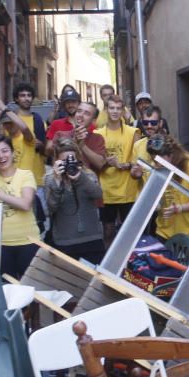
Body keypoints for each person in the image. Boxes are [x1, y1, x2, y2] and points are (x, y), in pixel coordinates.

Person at [0, 134, 40, 279]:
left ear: (12, 152)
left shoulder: (25, 175)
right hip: (1, 244)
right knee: (8, 293)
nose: (1, 156)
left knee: (32, 291)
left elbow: (26, 203)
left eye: (4, 151)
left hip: (28, 241)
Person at [44, 137, 106, 265]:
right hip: (65, 242)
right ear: (57, 162)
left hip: (91, 240)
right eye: (64, 161)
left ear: (78, 159)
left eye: (72, 159)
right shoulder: (51, 179)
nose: (69, 164)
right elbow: (50, 209)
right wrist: (57, 182)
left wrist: (80, 178)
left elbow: (98, 194)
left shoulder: (88, 175)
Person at [144, 134, 189, 244]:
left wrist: (180, 208)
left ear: (171, 155)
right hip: (164, 231)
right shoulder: (156, 167)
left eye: (159, 161)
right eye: (153, 161)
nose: (156, 165)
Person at [95, 94, 139, 247]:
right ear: (106, 110)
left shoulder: (133, 132)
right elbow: (95, 164)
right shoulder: (97, 134)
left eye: (118, 108)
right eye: (111, 108)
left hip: (128, 189)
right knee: (108, 231)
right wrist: (107, 163)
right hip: (106, 190)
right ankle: (107, 266)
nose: (115, 111)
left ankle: (128, 265)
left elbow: (138, 160)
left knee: (128, 232)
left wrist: (125, 165)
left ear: (123, 111)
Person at [46, 100, 106, 172]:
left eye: (87, 113)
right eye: (79, 111)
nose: (81, 115)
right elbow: (54, 158)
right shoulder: (60, 134)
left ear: (93, 121)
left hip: (89, 181)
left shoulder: (97, 138)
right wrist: (74, 141)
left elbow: (100, 165)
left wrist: (82, 145)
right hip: (65, 181)